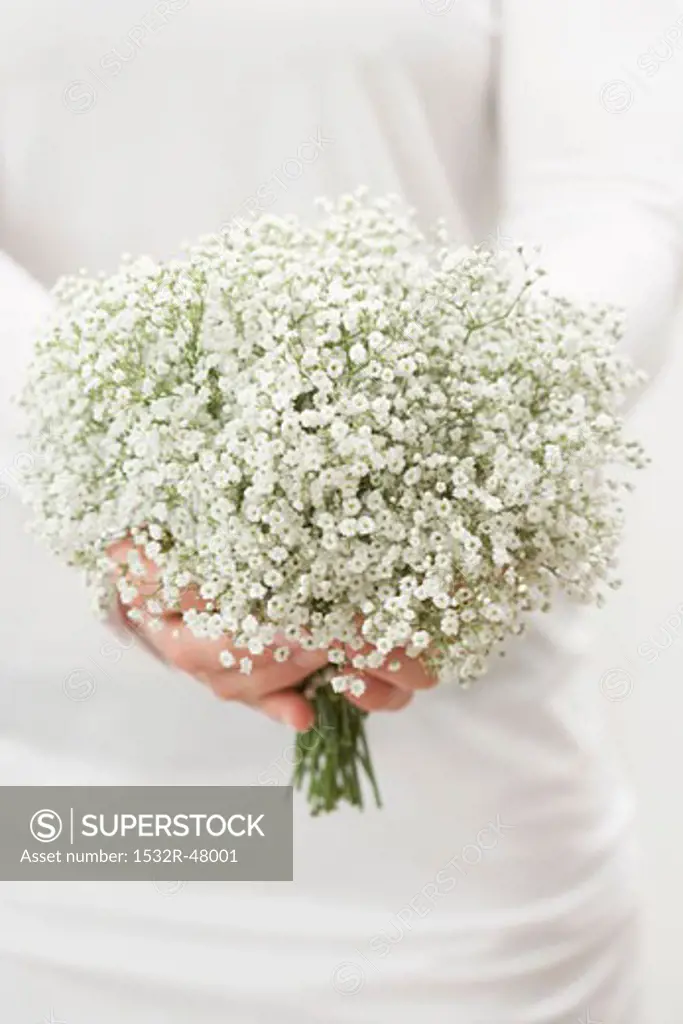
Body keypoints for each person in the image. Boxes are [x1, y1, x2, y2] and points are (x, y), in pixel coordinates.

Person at [1, 1, 682, 1020]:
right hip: (49, 831)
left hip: (457, 863)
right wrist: (145, 514)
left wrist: (456, 462)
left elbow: (611, 195)